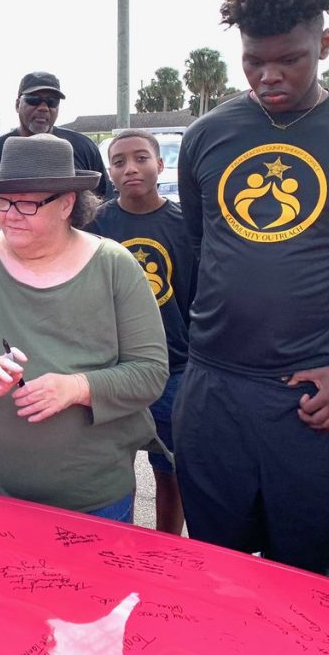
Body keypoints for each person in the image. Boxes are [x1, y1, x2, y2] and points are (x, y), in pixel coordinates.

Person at [174, 0, 329, 575]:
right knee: (216, 571)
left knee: (314, 579)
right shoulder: (207, 136)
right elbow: (201, 250)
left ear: (324, 44)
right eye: (254, 61)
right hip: (214, 389)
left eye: (289, 60)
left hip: (313, 396)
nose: (269, 76)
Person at [0, 133, 168, 520]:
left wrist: (77, 387)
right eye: (3, 200)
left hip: (91, 499)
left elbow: (150, 373)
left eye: (27, 203)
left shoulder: (115, 266)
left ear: (66, 204)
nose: (10, 214)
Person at [86, 129, 195, 535]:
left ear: (160, 165)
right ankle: (120, 546)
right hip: (110, 367)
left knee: (171, 470)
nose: (130, 168)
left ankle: (164, 547)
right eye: (118, 161)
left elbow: (197, 297)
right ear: (109, 173)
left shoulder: (185, 226)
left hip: (174, 369)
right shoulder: (95, 226)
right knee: (113, 471)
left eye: (141, 158)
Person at [0, 71, 111, 199]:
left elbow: (105, 200)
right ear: (17, 105)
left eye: (52, 102)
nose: (43, 107)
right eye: (34, 100)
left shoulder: (83, 147)